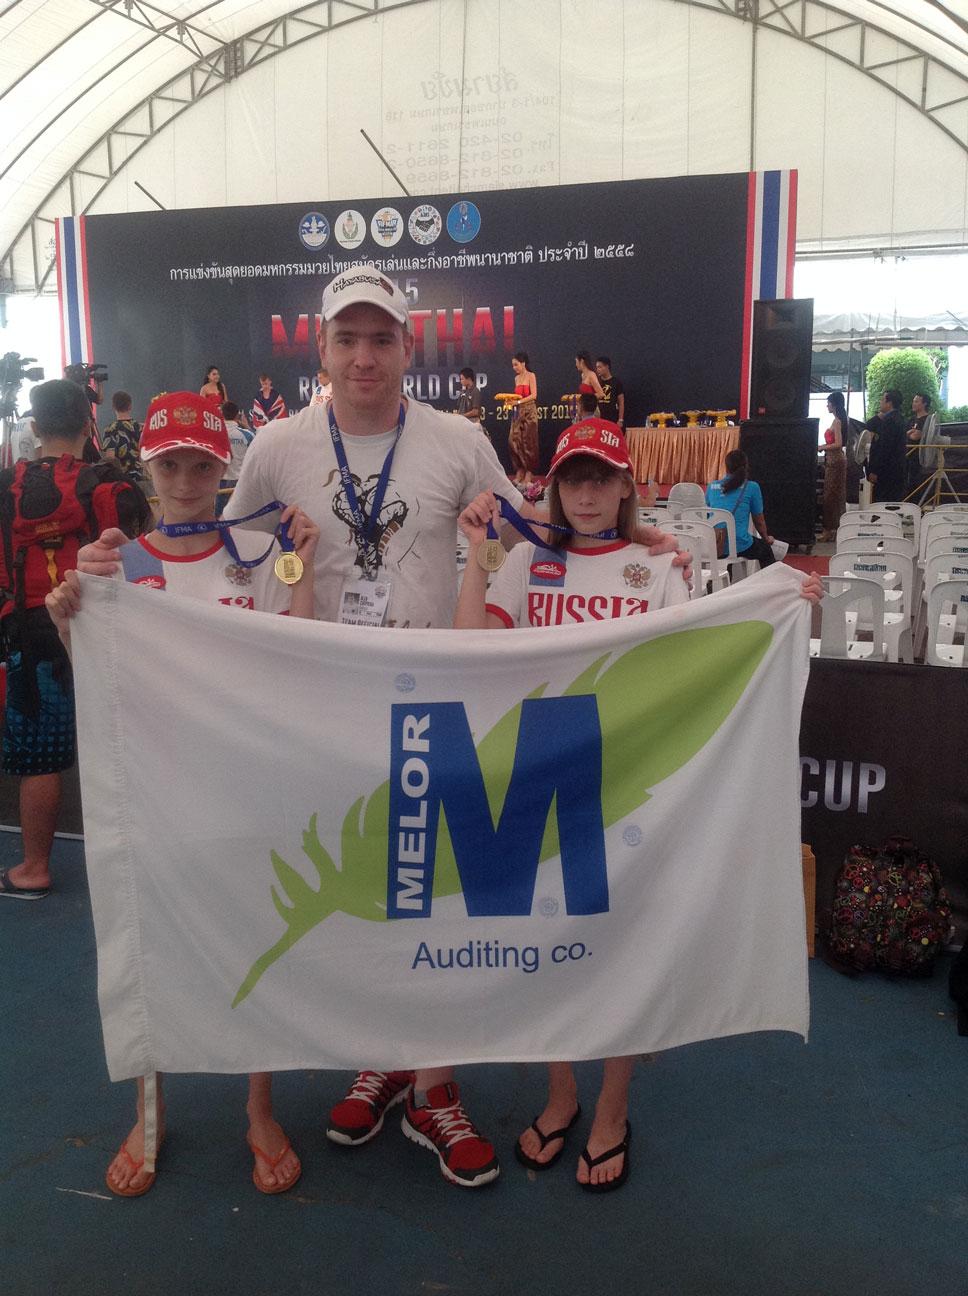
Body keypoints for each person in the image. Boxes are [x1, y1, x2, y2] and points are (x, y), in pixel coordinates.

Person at [75, 267, 690, 1189]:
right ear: (322, 349)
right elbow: (215, 549)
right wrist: (111, 567)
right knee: (357, 884)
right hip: (319, 707)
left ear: (408, 347)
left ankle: (434, 1084)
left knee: (435, 893)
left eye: (381, 339)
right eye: (347, 339)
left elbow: (539, 524)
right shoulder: (278, 445)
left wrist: (645, 542)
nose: (364, 357)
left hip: (436, 699)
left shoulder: (458, 439)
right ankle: (378, 1058)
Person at [454, 420, 822, 1192]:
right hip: (536, 774)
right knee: (545, 947)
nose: (586, 493)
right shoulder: (522, 560)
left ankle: (613, 1110)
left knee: (621, 950)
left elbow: (685, 670)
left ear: (626, 485)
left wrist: (781, 601)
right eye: (573, 478)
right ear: (554, 487)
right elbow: (468, 651)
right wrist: (476, 559)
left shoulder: (657, 567)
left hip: (624, 781)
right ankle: (561, 1095)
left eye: (601, 478)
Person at [45, 391, 319, 1197]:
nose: (188, 481)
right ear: (149, 470)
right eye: (172, 466)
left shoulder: (261, 554)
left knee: (260, 946)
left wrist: (304, 561)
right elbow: (100, 677)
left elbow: (300, 656)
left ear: (223, 469)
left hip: (247, 791)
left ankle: (258, 1108)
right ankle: (149, 1108)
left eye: (203, 466)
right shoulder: (119, 565)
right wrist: (67, 618)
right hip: (158, 795)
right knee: (152, 950)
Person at [0, 380, 148, 900]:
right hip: (110, 631)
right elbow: (146, 554)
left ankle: (34, 868)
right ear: (89, 425)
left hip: (32, 634)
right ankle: (147, 860)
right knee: (132, 746)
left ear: (34, 427)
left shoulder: (6, 487)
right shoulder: (112, 484)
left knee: (41, 759)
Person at [705, 449, 776, 568]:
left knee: (726, 556)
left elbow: (708, 515)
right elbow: (759, 521)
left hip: (716, 543)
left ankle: (724, 578)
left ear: (726, 467)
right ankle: (770, 579)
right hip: (740, 544)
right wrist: (766, 538)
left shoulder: (711, 486)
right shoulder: (752, 487)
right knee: (765, 550)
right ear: (746, 466)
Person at [863, 388, 906, 503]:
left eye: (882, 400)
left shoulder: (889, 421)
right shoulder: (900, 418)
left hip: (886, 471)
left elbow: (884, 448)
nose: (880, 402)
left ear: (889, 403)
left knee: (882, 502)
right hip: (896, 470)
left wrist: (875, 470)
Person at [819, 392, 848, 541]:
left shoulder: (837, 422)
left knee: (830, 496)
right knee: (836, 495)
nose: (827, 405)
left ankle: (828, 529)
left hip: (835, 460)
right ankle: (835, 528)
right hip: (835, 460)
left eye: (829, 403)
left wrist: (822, 447)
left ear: (834, 404)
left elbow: (838, 443)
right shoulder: (840, 420)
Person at [508, 351, 538, 486]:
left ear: (523, 363)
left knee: (528, 441)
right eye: (513, 365)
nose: (514, 367)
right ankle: (519, 469)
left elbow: (534, 395)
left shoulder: (531, 376)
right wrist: (511, 402)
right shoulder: (516, 379)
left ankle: (529, 471)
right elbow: (516, 397)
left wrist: (518, 402)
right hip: (517, 411)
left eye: (516, 364)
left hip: (529, 410)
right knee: (513, 440)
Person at [100, 391, 144, 483]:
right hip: (140, 476)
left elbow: (110, 458)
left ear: (113, 407)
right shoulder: (140, 428)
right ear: (130, 406)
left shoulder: (110, 430)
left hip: (121, 480)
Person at [906, 391, 938, 494]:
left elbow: (915, 436)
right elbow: (907, 434)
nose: (913, 404)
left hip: (920, 458)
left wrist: (910, 433)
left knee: (916, 484)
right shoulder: (911, 419)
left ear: (924, 404)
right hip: (907, 456)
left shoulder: (929, 420)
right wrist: (910, 433)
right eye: (913, 401)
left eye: (916, 401)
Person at [595, 356, 625, 427]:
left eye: (600, 367)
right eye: (597, 367)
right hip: (598, 419)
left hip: (612, 418)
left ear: (607, 367)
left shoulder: (616, 382)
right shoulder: (596, 382)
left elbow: (621, 402)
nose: (597, 370)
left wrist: (620, 419)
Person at [575, 352, 605, 419]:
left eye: (576, 362)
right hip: (584, 410)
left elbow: (601, 394)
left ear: (582, 361)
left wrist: (587, 399)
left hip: (592, 411)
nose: (576, 365)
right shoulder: (582, 375)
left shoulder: (591, 375)